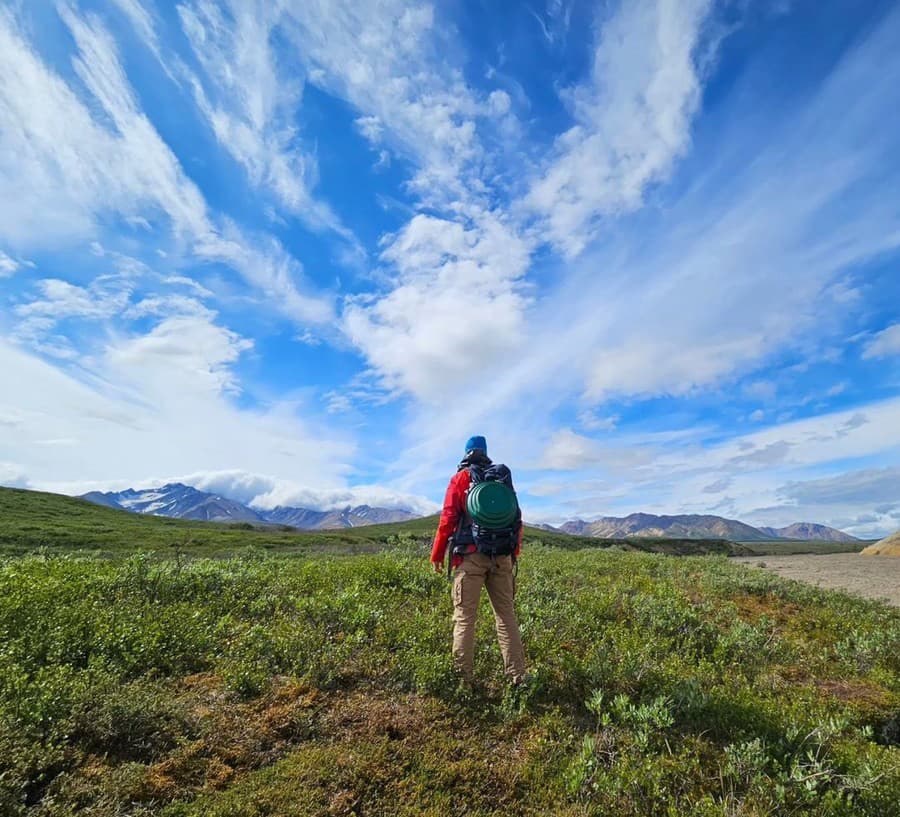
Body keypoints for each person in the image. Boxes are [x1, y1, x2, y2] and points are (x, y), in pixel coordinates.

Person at [430, 435, 527, 686]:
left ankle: (463, 681)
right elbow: (516, 518)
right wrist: (512, 554)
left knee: (465, 618)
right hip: (502, 558)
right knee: (506, 617)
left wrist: (438, 554)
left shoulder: (460, 479)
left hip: (469, 558)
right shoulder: (502, 480)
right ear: (485, 453)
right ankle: (518, 678)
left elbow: (448, 519)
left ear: (466, 453)